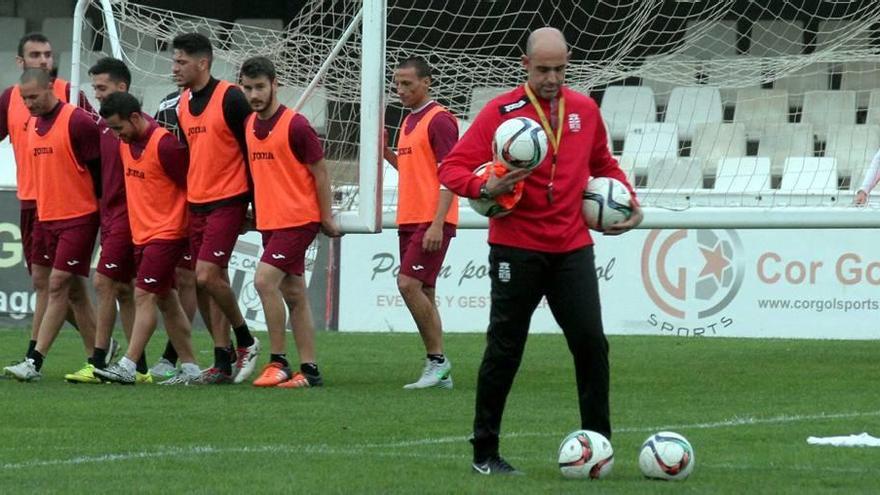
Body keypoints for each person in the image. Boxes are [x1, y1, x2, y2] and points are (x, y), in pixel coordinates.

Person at [438, 27, 644, 475]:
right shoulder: (501, 112)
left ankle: (599, 446)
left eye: (560, 69)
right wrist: (484, 186)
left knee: (591, 344)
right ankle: (485, 452)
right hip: (516, 248)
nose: (552, 78)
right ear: (525, 64)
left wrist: (630, 202)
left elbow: (604, 165)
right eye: (544, 69)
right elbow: (451, 167)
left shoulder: (585, 109)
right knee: (505, 349)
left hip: (572, 248)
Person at [0, 33, 107, 371]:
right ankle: (99, 351)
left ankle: (34, 357)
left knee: (53, 284)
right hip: (32, 201)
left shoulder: (71, 94)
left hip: (70, 205)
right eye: (35, 54)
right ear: (21, 62)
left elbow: (98, 143)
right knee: (62, 286)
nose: (44, 60)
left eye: (48, 54)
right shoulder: (11, 99)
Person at [238, 57, 339, 388]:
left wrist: (324, 215)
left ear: (275, 85)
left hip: (298, 219)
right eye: (248, 88)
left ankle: (278, 361)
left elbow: (320, 172)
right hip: (270, 221)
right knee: (294, 293)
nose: (254, 94)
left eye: (260, 87)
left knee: (264, 281)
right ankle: (309, 371)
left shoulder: (296, 126)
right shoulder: (250, 126)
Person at [94, 92, 201, 385]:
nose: (117, 136)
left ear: (136, 118)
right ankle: (191, 368)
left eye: (119, 128)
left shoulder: (165, 145)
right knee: (167, 300)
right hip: (143, 234)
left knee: (143, 295)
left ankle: (129, 365)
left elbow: (191, 187)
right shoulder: (126, 144)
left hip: (167, 234)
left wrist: (192, 231)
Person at [172, 33, 260, 384]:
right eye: (174, 61)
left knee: (208, 275)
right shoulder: (181, 104)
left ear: (203, 63)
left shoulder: (231, 98)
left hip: (229, 198)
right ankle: (222, 360)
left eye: (181, 62)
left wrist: (254, 202)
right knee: (206, 282)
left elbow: (252, 152)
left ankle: (246, 340)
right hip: (198, 202)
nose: (174, 68)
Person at [64, 57, 143, 384]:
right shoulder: (102, 127)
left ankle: (98, 360)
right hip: (108, 214)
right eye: (94, 87)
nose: (95, 94)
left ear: (121, 87)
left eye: (101, 87)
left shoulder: (138, 129)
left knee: (102, 282)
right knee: (124, 289)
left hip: (129, 215)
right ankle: (141, 369)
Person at [382, 56, 458, 389]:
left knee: (407, 285)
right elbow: (416, 173)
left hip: (431, 220)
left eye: (407, 84)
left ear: (426, 82)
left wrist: (438, 224)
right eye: (397, 84)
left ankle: (438, 361)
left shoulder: (440, 120)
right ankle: (440, 372)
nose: (400, 90)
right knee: (424, 289)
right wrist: (386, 154)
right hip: (411, 218)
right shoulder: (409, 121)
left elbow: (450, 176)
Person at [147, 87, 202, 380]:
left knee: (191, 278)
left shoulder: (219, 100)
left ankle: (175, 355)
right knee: (180, 280)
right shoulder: (167, 103)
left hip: (204, 200)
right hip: (174, 203)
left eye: (182, 61)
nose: (177, 67)